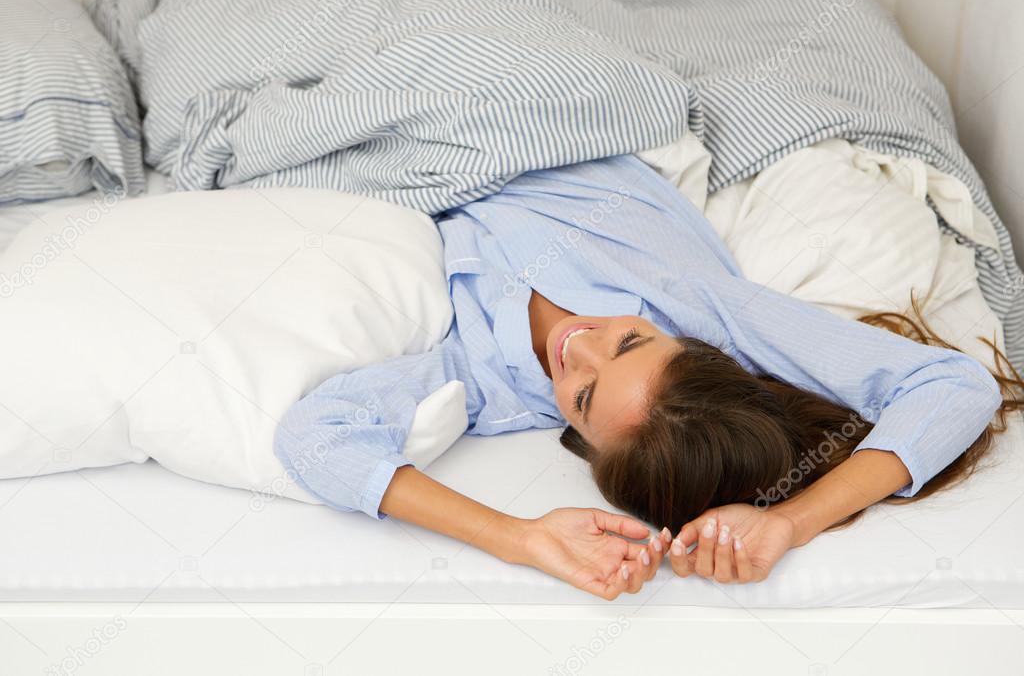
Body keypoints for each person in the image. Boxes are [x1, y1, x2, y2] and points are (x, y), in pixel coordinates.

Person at [274, 153, 1018, 599]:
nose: (578, 347)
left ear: (586, 443)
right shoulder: (698, 303)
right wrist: (795, 520)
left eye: (585, 396)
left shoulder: (483, 383)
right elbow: (955, 386)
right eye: (630, 341)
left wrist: (516, 538)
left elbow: (312, 439)